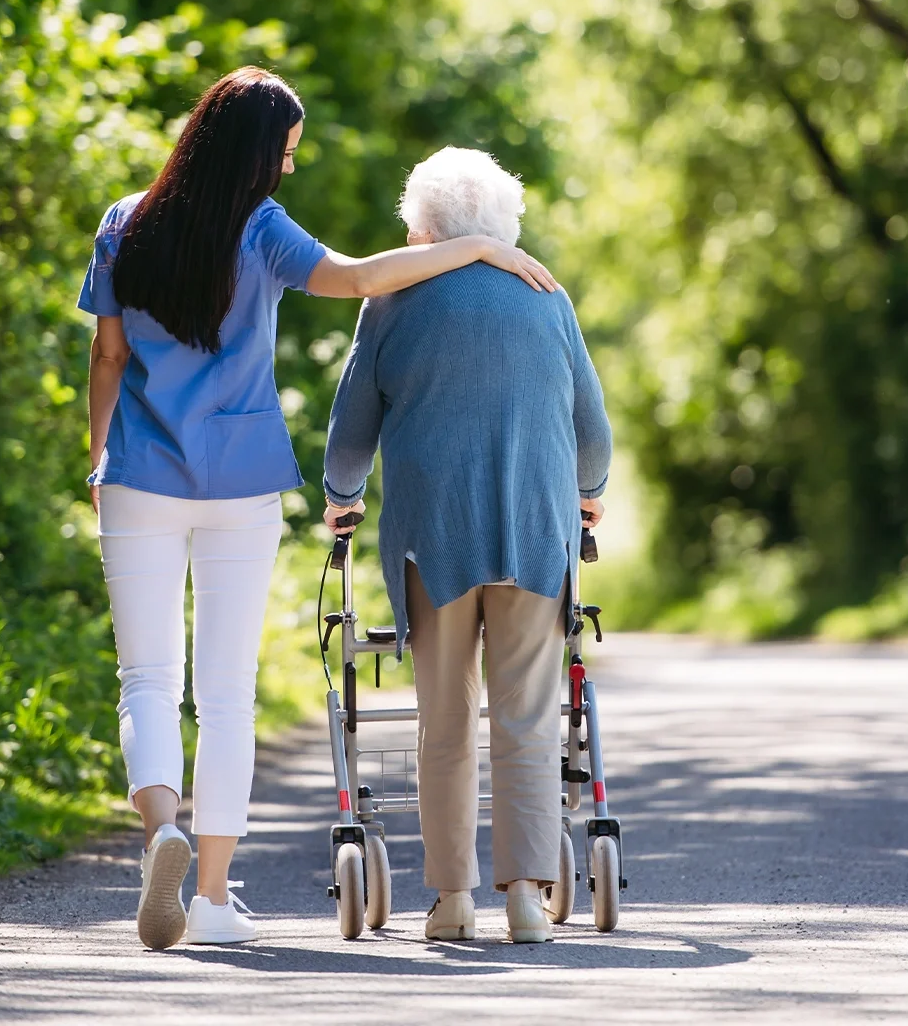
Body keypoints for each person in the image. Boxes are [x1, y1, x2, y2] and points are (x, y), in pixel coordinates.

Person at [80, 70, 560, 950]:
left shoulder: (124, 222)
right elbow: (359, 276)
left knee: (147, 680)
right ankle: (214, 897)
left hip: (139, 476)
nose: (290, 171)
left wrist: (97, 455)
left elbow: (108, 357)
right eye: (287, 153)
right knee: (226, 694)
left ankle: (162, 834)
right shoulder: (259, 229)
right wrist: (478, 249)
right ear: (255, 153)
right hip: (241, 482)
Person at [321, 146, 612, 943]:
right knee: (526, 714)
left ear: (425, 227)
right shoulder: (547, 296)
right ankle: (525, 896)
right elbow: (592, 427)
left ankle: (452, 901)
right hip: (533, 528)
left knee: (444, 720)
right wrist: (590, 495)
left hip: (432, 538)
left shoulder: (391, 302)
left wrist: (340, 501)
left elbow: (351, 429)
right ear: (501, 226)